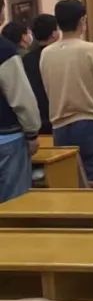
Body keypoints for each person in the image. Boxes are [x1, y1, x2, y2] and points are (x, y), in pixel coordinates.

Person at [40, 0, 93, 186]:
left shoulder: (46, 53)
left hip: (60, 125)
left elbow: (48, 89)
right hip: (91, 122)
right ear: (82, 20)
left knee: (69, 185)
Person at [0, 30, 41, 203]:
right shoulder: (4, 50)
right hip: (7, 136)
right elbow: (20, 97)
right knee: (14, 204)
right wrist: (32, 132)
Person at [22, 14, 59, 135]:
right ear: (54, 34)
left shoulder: (27, 59)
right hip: (60, 117)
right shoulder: (59, 56)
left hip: (38, 118)